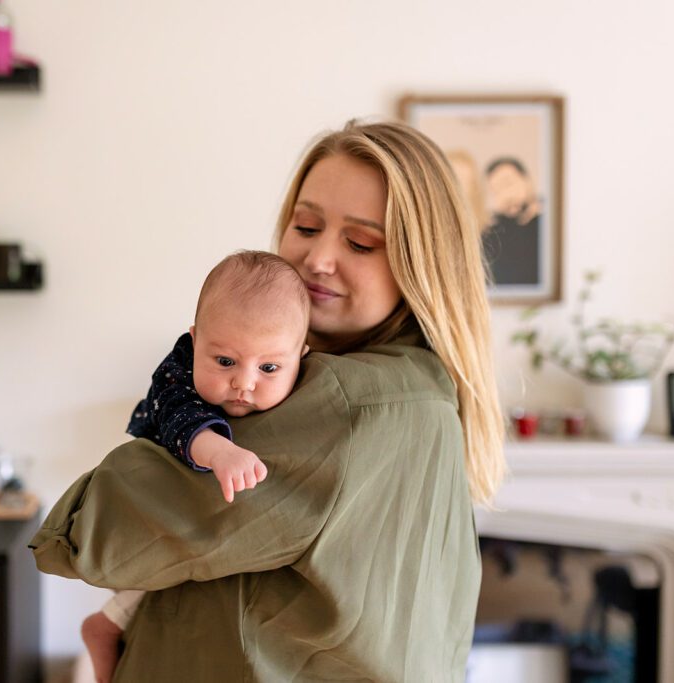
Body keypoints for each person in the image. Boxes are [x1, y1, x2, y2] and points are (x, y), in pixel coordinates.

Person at [31, 120, 507, 681]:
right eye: (305, 226)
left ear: (420, 264)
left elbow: (94, 535)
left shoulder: (345, 401)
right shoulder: (423, 390)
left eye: (360, 242)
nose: (317, 259)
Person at [79, 250, 311, 682]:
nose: (244, 382)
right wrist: (219, 452)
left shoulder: (306, 381)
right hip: (158, 487)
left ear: (302, 356)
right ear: (194, 339)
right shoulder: (178, 373)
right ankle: (105, 625)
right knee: (160, 562)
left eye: (269, 367)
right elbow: (181, 420)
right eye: (225, 361)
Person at [482, 156, 542, 286]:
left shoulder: (550, 224)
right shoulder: (492, 235)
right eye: (496, 191)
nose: (506, 195)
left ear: (527, 181)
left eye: (508, 184)